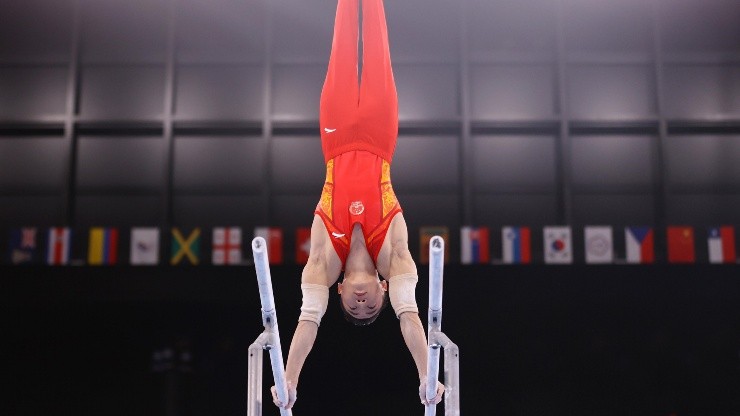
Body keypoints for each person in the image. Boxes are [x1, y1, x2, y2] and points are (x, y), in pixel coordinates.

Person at [270, 0, 445, 410]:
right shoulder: (395, 256)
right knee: (378, 43)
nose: (362, 304)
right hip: (380, 136)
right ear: (384, 291)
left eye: (353, 306)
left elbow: (308, 319)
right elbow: (411, 317)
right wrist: (426, 375)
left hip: (336, 138)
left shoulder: (324, 259)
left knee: (343, 43)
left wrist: (289, 379)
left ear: (340, 289)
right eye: (370, 308)